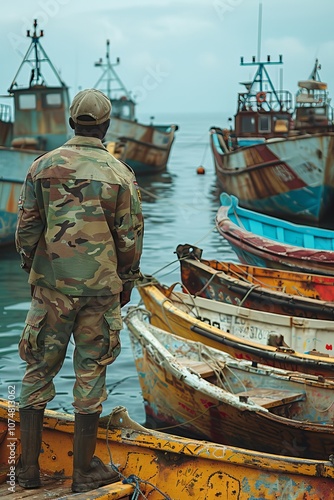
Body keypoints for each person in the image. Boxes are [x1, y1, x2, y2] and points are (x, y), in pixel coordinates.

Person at [15, 89, 144, 493]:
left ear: (72, 122)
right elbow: (130, 238)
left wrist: (34, 270)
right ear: (106, 126)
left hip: (51, 288)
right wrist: (126, 282)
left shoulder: (42, 166)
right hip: (100, 290)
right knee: (91, 373)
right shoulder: (120, 174)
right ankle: (84, 472)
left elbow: (27, 230)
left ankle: (27, 471)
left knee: (37, 371)